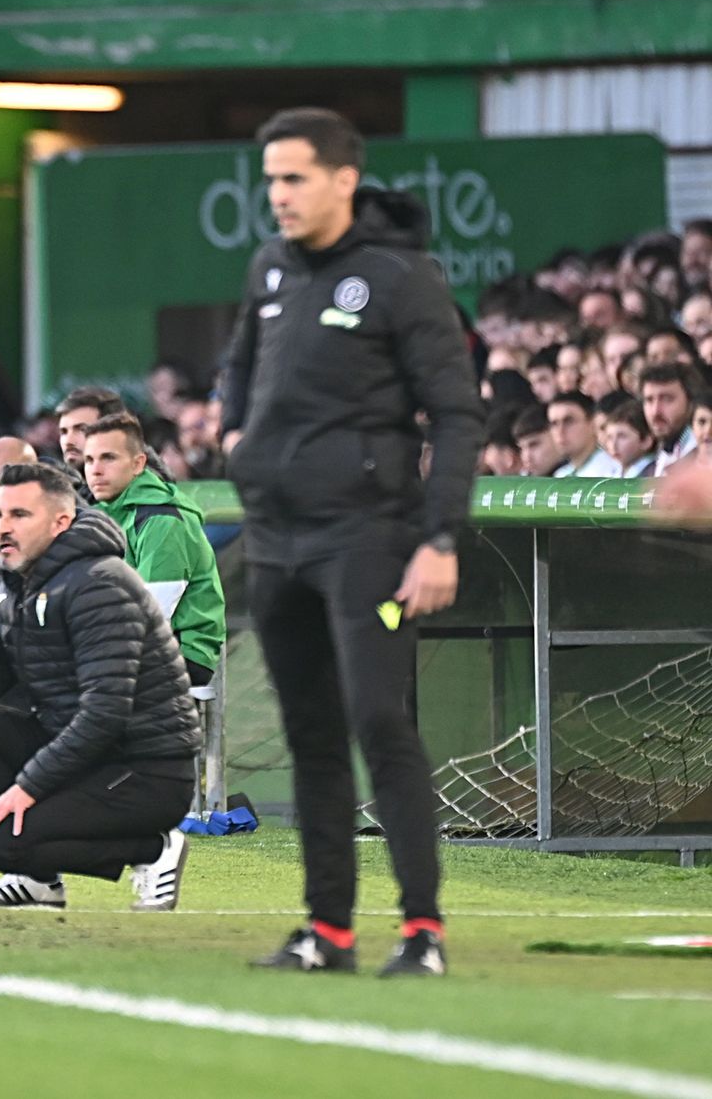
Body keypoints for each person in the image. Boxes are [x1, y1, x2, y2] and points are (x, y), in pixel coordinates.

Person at [221, 108, 482, 976]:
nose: (278, 195)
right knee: (311, 735)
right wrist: (235, 437)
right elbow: (239, 367)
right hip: (277, 540)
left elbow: (457, 414)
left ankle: (422, 931)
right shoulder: (269, 268)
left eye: (294, 178)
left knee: (379, 719)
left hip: (368, 539)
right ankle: (327, 932)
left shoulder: (402, 277)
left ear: (344, 179)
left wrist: (439, 538)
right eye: (270, 180)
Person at [0, 463, 200, 910]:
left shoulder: (99, 582)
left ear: (60, 522)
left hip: (145, 771)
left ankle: (154, 849)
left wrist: (28, 787)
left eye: (20, 515)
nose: (2, 528)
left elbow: (105, 713)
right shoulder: (22, 582)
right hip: (90, 755)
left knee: (0, 842)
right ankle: (38, 880)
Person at [81, 411, 225, 690]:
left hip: (181, 652)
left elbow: (152, 613)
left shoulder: (162, 519)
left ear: (138, 464)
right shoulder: (100, 514)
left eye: (108, 458)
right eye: (89, 460)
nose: (95, 470)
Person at [641, 362, 700, 475]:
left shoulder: (705, 461)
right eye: (649, 400)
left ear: (690, 402)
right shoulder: (649, 470)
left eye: (667, 399)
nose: (655, 411)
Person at [548, 392, 620, 478]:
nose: (560, 431)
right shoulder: (560, 475)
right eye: (554, 424)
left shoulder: (613, 471)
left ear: (592, 424)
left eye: (569, 421)